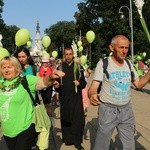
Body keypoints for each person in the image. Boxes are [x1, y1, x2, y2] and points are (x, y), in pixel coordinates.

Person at [88, 35, 150, 150]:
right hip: (108, 111)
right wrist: (92, 95)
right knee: (101, 146)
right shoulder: (103, 64)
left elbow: (139, 84)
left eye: (126, 48)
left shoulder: (129, 64)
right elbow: (93, 88)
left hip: (126, 111)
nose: (124, 51)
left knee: (129, 146)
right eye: (121, 47)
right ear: (112, 47)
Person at [0, 56, 65, 150]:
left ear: (17, 68)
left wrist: (50, 76)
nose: (6, 70)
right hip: (7, 130)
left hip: (25, 127)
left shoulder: (26, 80)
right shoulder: (1, 84)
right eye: (3, 67)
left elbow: (43, 82)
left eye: (9, 67)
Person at [55, 48, 87, 150]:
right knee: (66, 118)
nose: (68, 56)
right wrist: (56, 85)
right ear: (64, 55)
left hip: (76, 98)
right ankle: (68, 139)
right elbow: (56, 82)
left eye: (70, 54)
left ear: (73, 55)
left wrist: (79, 83)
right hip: (64, 97)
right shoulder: (60, 68)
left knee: (78, 120)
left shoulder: (78, 67)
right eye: (66, 54)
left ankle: (77, 141)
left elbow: (84, 82)